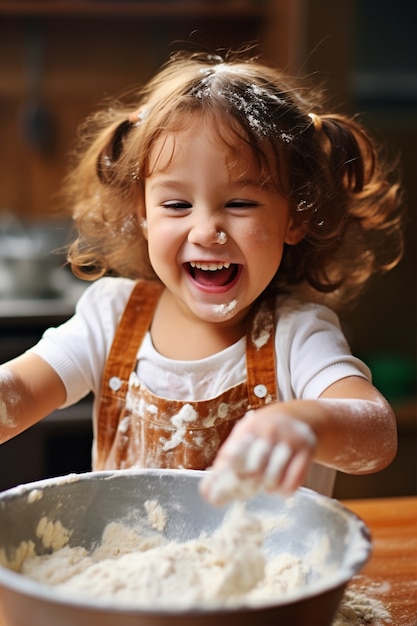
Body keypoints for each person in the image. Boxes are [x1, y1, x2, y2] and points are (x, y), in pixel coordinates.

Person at [0, 48, 403, 505]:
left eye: (240, 203)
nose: (206, 230)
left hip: (263, 573)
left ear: (294, 217)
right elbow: (20, 391)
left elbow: (376, 435)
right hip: (128, 572)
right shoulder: (110, 320)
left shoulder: (297, 338)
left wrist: (307, 425)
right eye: (176, 204)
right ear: (144, 214)